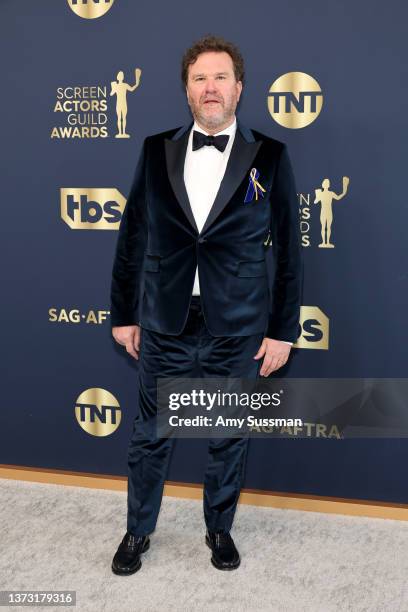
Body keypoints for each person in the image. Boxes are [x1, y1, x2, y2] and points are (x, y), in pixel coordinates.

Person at [109, 34, 303, 575]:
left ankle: (219, 528)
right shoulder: (156, 150)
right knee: (150, 436)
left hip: (237, 326)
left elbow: (288, 249)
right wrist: (124, 313)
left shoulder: (270, 156)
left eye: (220, 77)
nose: (210, 88)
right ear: (187, 91)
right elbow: (132, 236)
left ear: (240, 88)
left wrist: (282, 330)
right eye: (199, 79)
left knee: (227, 435)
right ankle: (137, 531)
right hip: (164, 323)